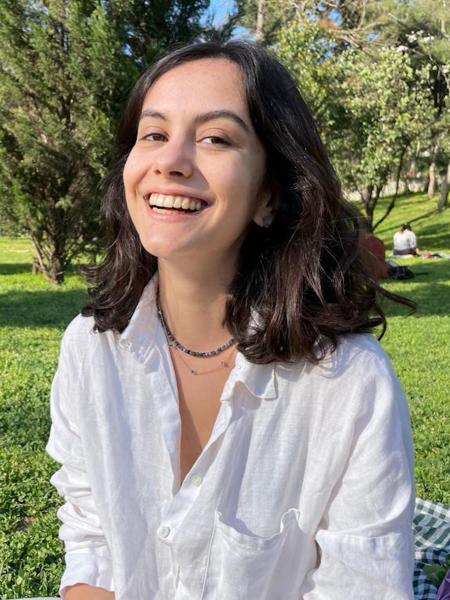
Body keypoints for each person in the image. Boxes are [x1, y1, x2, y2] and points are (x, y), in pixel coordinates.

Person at [46, 40, 416, 600]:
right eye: (154, 134)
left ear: (270, 194)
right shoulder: (89, 349)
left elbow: (364, 586)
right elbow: (92, 538)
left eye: (215, 138)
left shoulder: (351, 383)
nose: (170, 161)